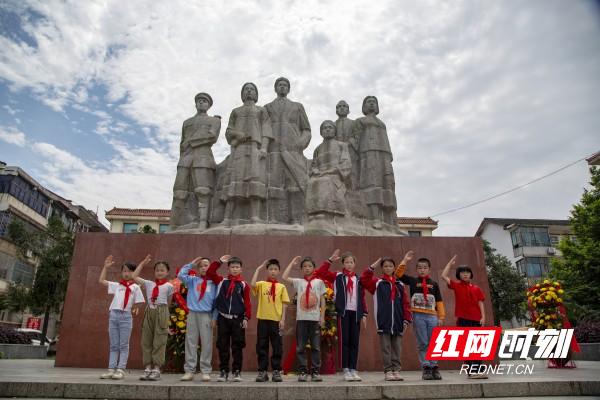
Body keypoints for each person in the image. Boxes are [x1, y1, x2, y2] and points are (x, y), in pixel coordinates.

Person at [223, 83, 273, 225]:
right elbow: (228, 131)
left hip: (255, 147)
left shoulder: (261, 110)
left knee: (255, 181)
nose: (249, 91)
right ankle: (227, 218)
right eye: (246, 89)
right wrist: (237, 134)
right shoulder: (236, 111)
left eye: (252, 89)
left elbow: (267, 130)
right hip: (239, 148)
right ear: (242, 93)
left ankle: (255, 216)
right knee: (234, 181)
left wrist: (264, 148)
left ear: (256, 94)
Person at [315, 249, 367, 381]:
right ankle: (346, 370)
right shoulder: (338, 276)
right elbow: (321, 273)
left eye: (351, 262)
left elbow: (362, 297)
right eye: (347, 262)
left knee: (354, 341)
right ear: (343, 264)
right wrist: (330, 260)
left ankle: (353, 369)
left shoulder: (358, 279)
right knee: (345, 341)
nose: (349, 264)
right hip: (343, 312)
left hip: (356, 314)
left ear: (355, 264)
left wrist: (364, 313)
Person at [265, 77, 312, 225]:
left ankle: (296, 218)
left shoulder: (297, 106)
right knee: (273, 183)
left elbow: (307, 129)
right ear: (275, 88)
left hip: (293, 150)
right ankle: (272, 217)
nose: (282, 87)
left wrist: (300, 143)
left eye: (285, 85)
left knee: (295, 185)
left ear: (289, 88)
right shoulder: (267, 107)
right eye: (280, 85)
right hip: (273, 151)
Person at [171, 92, 221, 229]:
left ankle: (203, 222)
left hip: (203, 157)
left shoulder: (214, 120)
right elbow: (181, 143)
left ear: (209, 105)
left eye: (204, 101)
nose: (201, 102)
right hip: (185, 158)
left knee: (203, 191)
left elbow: (212, 137)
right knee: (179, 192)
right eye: (199, 100)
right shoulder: (186, 122)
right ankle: (176, 224)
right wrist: (184, 149)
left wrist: (191, 142)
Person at [395, 250, 445, 380]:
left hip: (432, 316)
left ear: (429, 269)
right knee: (423, 342)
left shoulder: (434, 284)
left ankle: (434, 367)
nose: (422, 270)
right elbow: (398, 274)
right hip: (418, 316)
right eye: (420, 268)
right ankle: (426, 367)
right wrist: (405, 260)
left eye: (425, 268)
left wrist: (441, 317)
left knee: (433, 342)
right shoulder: (412, 281)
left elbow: (439, 301)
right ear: (417, 269)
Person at [360, 256, 412, 381]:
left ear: (394, 268)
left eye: (390, 266)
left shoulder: (400, 284)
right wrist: (372, 267)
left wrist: (406, 319)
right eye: (385, 266)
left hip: (398, 321)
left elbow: (405, 303)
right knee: (386, 348)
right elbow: (363, 280)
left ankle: (397, 370)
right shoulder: (377, 283)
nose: (388, 268)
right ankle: (388, 371)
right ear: (382, 269)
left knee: (397, 348)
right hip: (384, 321)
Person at [98, 255, 145, 380]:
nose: (126, 273)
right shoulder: (117, 285)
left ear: (133, 273)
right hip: (114, 314)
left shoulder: (135, 287)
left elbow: (140, 301)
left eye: (129, 271)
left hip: (126, 316)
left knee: (124, 345)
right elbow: (102, 281)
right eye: (124, 271)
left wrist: (136, 307)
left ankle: (120, 369)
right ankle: (110, 369)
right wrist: (105, 267)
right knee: (114, 344)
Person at [352, 96, 396, 228]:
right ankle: (374, 217)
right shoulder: (360, 121)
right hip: (368, 152)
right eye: (368, 102)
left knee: (389, 184)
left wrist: (389, 155)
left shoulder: (382, 123)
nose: (371, 104)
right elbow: (355, 140)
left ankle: (390, 219)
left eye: (374, 102)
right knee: (372, 183)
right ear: (364, 106)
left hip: (384, 154)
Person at [441, 255, 487, 379]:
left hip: (476, 320)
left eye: (467, 272)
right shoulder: (456, 285)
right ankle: (471, 372)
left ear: (471, 274)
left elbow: (480, 303)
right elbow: (444, 276)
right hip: (463, 319)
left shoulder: (476, 288)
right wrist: (450, 263)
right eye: (462, 273)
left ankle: (480, 370)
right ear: (459, 275)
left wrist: (483, 317)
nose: (465, 274)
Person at [207, 255, 251, 382]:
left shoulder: (243, 285)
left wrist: (246, 318)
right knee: (223, 346)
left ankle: (237, 371)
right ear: (228, 269)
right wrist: (219, 262)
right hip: (223, 318)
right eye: (232, 267)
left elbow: (247, 303)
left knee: (237, 346)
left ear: (241, 269)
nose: (235, 269)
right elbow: (210, 272)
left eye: (237, 267)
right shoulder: (221, 281)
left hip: (237, 319)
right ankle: (223, 371)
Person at [282, 255, 326, 382]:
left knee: (315, 346)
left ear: (314, 268)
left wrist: (322, 317)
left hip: (315, 319)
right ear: (301, 269)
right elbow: (284, 277)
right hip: (301, 319)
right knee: (300, 346)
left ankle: (315, 371)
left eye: (310, 266)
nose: (307, 268)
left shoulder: (319, 282)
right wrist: (291, 263)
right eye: (305, 266)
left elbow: (323, 299)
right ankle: (302, 371)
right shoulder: (299, 282)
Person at [177, 256, 221, 382]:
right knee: (190, 342)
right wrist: (191, 264)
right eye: (201, 266)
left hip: (206, 315)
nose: (203, 268)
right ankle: (189, 370)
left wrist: (214, 317)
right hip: (192, 314)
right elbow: (180, 275)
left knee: (207, 343)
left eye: (206, 265)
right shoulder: (192, 280)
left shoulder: (214, 283)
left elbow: (217, 302)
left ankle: (205, 371)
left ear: (210, 267)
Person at [131, 257, 174, 381]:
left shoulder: (169, 286)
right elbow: (134, 276)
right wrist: (142, 263)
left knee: (159, 340)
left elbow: (169, 301)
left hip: (162, 311)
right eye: (157, 270)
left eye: (162, 270)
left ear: (167, 272)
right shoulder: (149, 284)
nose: (159, 272)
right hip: (149, 311)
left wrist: (166, 317)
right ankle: (148, 368)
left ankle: (156, 369)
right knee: (147, 340)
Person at [250, 258, 290, 382]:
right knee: (261, 345)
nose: (273, 271)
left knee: (277, 345)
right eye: (271, 269)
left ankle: (276, 371)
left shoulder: (281, 286)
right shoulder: (262, 284)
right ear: (267, 271)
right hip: (263, 319)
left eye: (275, 269)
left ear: (278, 271)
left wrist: (282, 320)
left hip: (276, 321)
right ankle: (262, 371)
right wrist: (257, 269)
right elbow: (252, 285)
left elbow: (285, 304)